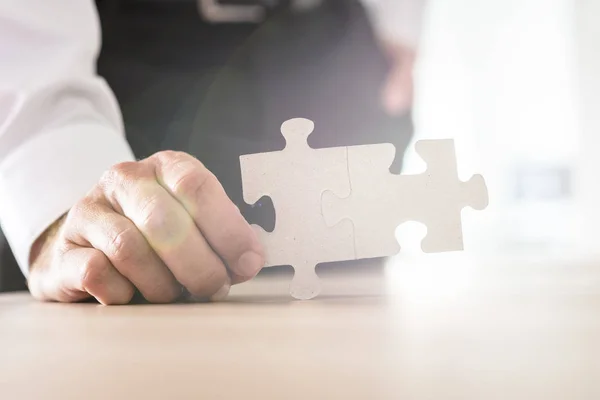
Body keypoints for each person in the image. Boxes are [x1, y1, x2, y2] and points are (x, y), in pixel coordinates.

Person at [0, 0, 425, 304]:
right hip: (120, 73)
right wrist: (60, 204)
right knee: (122, 289)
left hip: (327, 57)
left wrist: (397, 22)